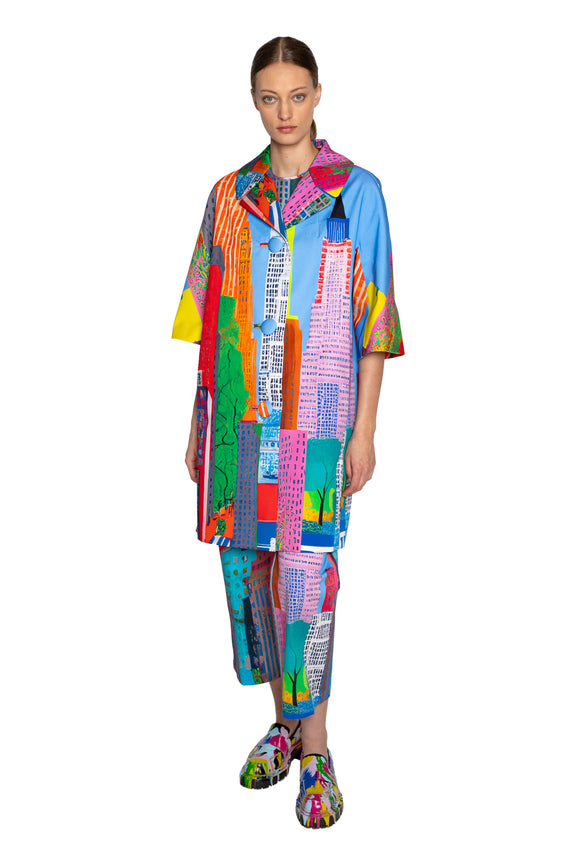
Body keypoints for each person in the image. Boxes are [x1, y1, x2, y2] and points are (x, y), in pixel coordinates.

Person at [171, 35, 404, 829]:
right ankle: (282, 723)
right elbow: (208, 318)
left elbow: (376, 322)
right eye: (270, 98)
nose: (284, 112)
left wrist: (365, 431)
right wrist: (199, 421)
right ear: (254, 100)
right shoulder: (228, 195)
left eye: (297, 95)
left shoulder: (356, 193)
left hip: (318, 423)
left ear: (317, 95)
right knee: (254, 581)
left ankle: (318, 750)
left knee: (307, 584)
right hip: (238, 422)